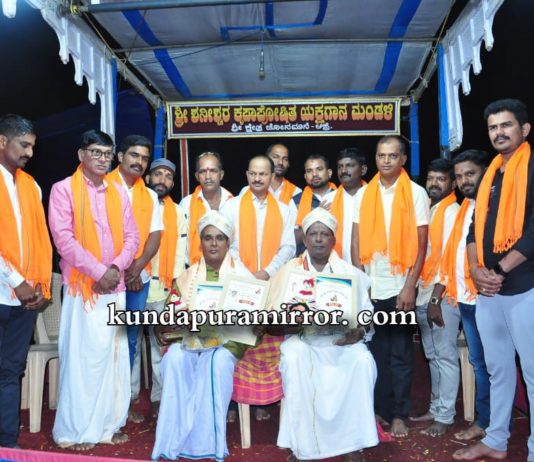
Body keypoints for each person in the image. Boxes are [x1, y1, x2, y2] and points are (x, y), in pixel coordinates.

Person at [454, 99, 534, 461]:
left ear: (524, 129)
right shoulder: (491, 175)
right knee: (498, 369)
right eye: (493, 127)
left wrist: (499, 271)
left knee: (532, 373)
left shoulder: (530, 167)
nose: (499, 132)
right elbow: (474, 228)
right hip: (487, 290)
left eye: (506, 125)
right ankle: (497, 440)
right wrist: (476, 270)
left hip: (525, 287)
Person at [49, 129, 139, 451]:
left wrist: (114, 269)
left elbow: (132, 237)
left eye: (107, 154)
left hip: (115, 288)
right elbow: (64, 240)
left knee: (114, 358)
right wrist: (100, 273)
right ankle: (75, 430)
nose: (102, 159)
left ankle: (107, 425)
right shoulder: (63, 190)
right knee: (83, 360)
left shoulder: (118, 193)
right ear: (81, 155)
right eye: (96, 152)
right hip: (83, 289)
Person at [270, 208, 378, 462]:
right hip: (304, 342)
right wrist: (292, 323)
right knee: (293, 356)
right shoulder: (289, 271)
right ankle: (302, 444)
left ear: (333, 240)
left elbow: (367, 316)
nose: (318, 239)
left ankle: (353, 443)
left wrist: (358, 332)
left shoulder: (351, 274)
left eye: (324, 234)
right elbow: (271, 321)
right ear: (305, 239)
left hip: (341, 343)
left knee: (363, 360)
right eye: (313, 234)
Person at [151, 211, 256, 461]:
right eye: (208, 238)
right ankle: (172, 439)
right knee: (173, 358)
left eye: (220, 238)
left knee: (216, 361)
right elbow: (170, 316)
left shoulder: (244, 278)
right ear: (201, 243)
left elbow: (252, 325)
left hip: (227, 345)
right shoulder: (186, 278)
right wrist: (169, 327)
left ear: (228, 243)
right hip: (189, 342)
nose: (213, 244)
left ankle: (208, 443)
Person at [351, 135, 430, 437]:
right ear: (375, 159)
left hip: (400, 287)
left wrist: (410, 286)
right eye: (381, 155)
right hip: (372, 286)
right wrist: (362, 284)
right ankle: (381, 409)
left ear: (403, 159)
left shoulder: (416, 193)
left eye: (392, 155)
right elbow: (356, 243)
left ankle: (399, 414)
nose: (386, 161)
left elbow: (422, 245)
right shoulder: (363, 194)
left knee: (401, 354)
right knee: (376, 351)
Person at [221, 154, 295, 421]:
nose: (257, 178)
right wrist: (247, 275)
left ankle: (261, 398)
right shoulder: (231, 207)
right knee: (238, 340)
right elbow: (228, 245)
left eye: (263, 174)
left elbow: (288, 247)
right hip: (239, 284)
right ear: (246, 175)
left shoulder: (285, 209)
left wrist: (267, 273)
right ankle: (232, 403)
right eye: (253, 173)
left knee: (266, 342)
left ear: (272, 176)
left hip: (272, 283)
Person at [425, 150, 490, 442]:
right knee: (473, 361)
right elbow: (449, 255)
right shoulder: (459, 208)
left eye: (469, 174)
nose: (465, 180)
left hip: (476, 296)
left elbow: (449, 259)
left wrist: (435, 298)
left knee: (474, 362)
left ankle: (465, 418)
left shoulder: (463, 210)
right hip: (457, 295)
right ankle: (479, 420)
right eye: (460, 175)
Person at [0, 114, 52, 449]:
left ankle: (6, 442)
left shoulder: (32, 186)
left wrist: (40, 288)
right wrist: (16, 280)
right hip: (5, 289)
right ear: (2, 141)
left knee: (11, 370)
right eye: (24, 145)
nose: (29, 153)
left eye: (32, 146)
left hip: (24, 299)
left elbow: (40, 241)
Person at [106, 134, 163, 423]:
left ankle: (122, 402)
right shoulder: (102, 187)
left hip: (139, 279)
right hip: (105, 279)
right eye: (134, 155)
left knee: (128, 340)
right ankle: (103, 403)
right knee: (105, 340)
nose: (139, 162)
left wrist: (137, 268)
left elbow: (155, 235)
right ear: (120, 156)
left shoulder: (149, 196)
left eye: (144, 158)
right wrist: (122, 270)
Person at [130, 158, 187, 418]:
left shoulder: (178, 212)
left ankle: (159, 397)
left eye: (168, 176)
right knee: (129, 343)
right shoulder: (133, 203)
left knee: (159, 344)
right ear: (148, 177)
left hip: (163, 288)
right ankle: (129, 397)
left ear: (173, 183)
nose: (162, 180)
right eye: (157, 174)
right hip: (134, 283)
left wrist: (175, 284)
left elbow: (180, 252)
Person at [411, 158, 460, 437]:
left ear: (452, 183)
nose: (434, 183)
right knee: (432, 356)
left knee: (445, 355)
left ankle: (445, 416)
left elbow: (450, 259)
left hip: (441, 295)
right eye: (431, 178)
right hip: (425, 289)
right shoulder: (431, 209)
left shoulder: (452, 211)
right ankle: (436, 408)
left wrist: (435, 300)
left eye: (441, 179)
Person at [180, 151, 233, 266]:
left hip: (228, 269)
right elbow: (180, 243)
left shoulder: (233, 203)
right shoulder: (186, 204)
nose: (208, 176)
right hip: (193, 269)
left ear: (221, 174)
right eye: (203, 171)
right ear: (197, 176)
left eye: (213, 171)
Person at [329, 147, 367, 263]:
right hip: (337, 266)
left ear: (363, 170)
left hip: (370, 265)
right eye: (340, 166)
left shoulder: (375, 197)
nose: (344, 170)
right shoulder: (329, 200)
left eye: (349, 165)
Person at [293, 154, 337, 254]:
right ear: (305, 176)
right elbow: (292, 239)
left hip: (340, 258)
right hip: (306, 259)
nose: (314, 174)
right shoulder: (295, 201)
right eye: (309, 171)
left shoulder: (341, 197)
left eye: (319, 169)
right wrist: (316, 216)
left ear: (329, 173)